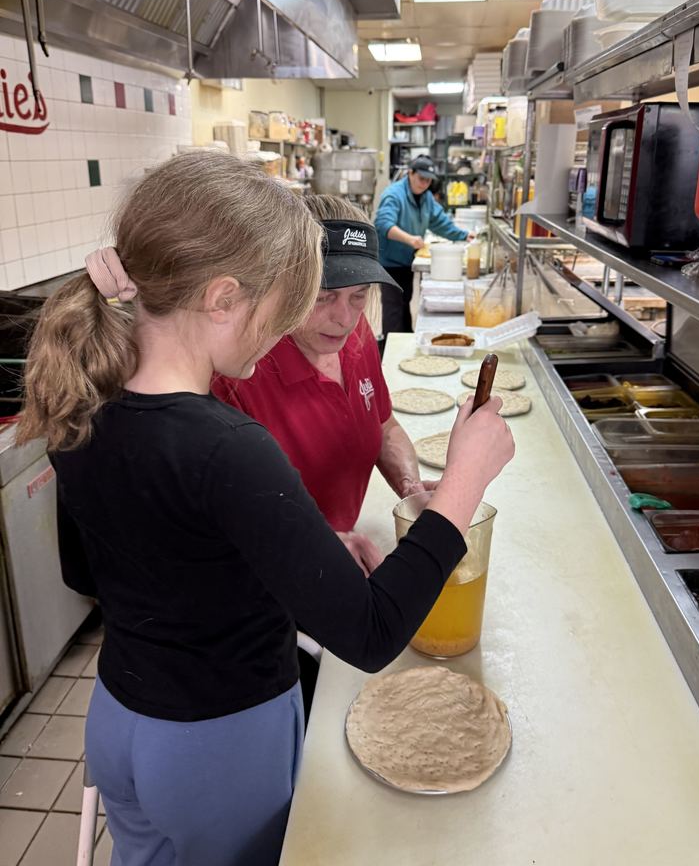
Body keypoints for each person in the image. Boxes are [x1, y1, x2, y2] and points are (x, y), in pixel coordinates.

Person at [17, 151, 514, 866]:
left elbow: (87, 569)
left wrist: (285, 556)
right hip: (215, 745)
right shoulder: (228, 447)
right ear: (221, 298)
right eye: (285, 301)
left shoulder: (85, 400)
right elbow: (371, 634)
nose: (288, 325)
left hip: (122, 724)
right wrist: (466, 479)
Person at [214, 194, 433, 575]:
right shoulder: (240, 370)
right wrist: (314, 546)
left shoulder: (357, 335)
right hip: (272, 580)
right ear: (285, 286)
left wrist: (411, 489)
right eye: (324, 296)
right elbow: (223, 517)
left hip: (341, 556)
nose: (344, 318)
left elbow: (383, 424)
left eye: (359, 296)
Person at [374, 154, 470, 339]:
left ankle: (405, 341)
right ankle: (390, 348)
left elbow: (440, 223)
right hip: (390, 262)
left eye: (428, 180)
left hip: (407, 260)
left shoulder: (425, 198)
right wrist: (410, 239)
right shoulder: (394, 194)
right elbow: (384, 224)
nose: (425, 183)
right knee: (393, 307)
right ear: (410, 173)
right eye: (421, 178)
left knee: (405, 302)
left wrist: (464, 235)